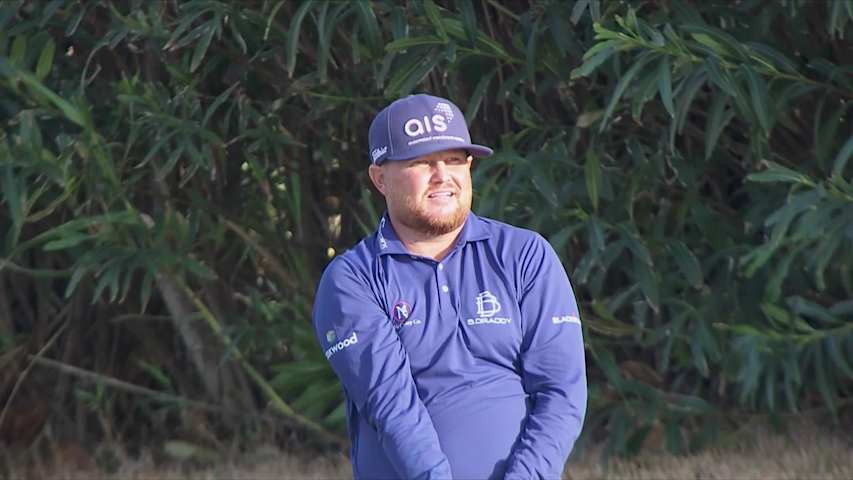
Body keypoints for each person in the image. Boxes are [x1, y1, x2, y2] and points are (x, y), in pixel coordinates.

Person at [312, 94, 587, 479]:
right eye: (421, 161)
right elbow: (392, 408)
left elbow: (561, 393)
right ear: (380, 178)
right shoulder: (352, 279)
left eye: (455, 159)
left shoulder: (525, 255)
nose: (442, 175)